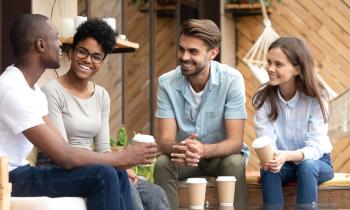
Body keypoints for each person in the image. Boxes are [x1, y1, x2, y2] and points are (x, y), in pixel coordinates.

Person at [0, 14, 157, 210]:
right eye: (56, 38)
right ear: (41, 45)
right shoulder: (12, 88)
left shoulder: (33, 91)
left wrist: (117, 163)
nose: (60, 45)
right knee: (103, 175)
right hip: (7, 178)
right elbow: (63, 156)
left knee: (115, 173)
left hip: (19, 173)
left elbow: (62, 145)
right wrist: (122, 157)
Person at [39, 18, 170, 210]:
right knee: (128, 190)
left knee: (155, 193)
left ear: (102, 61)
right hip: (60, 165)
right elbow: (63, 151)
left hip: (98, 164)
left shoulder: (101, 95)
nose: (88, 60)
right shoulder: (52, 91)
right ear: (72, 51)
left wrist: (119, 167)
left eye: (96, 56)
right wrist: (116, 164)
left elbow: (102, 147)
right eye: (83, 52)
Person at [154, 19, 248, 209]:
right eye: (181, 49)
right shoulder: (167, 83)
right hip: (184, 158)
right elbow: (164, 141)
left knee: (235, 162)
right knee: (163, 163)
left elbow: (235, 142)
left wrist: (203, 150)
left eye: (193, 51)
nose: (184, 56)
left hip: (219, 157)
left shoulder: (232, 80)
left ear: (213, 53)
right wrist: (182, 148)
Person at [253, 37, 334, 207]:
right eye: (269, 62)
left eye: (278, 64)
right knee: (269, 170)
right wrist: (272, 159)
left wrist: (287, 155)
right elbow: (266, 141)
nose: (270, 68)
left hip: (318, 162)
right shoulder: (263, 98)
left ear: (297, 69)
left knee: (306, 166)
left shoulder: (317, 98)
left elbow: (317, 147)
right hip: (281, 163)